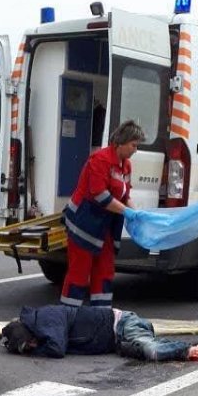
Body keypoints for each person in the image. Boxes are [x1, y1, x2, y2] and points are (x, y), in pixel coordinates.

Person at [61, 119, 146, 312]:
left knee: (105, 271)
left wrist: (136, 212)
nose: (135, 150)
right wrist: (127, 212)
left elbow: (125, 195)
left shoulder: (126, 165)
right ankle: (68, 315)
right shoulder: (100, 160)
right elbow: (99, 195)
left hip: (104, 225)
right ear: (120, 143)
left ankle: (101, 315)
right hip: (83, 223)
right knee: (79, 272)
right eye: (133, 145)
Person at [2, 303, 198, 363]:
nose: (32, 347)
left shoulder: (47, 318)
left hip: (122, 324)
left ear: (28, 332)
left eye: (27, 344)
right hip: (118, 339)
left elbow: (56, 349)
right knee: (144, 350)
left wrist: (33, 352)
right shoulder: (39, 326)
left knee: (152, 350)